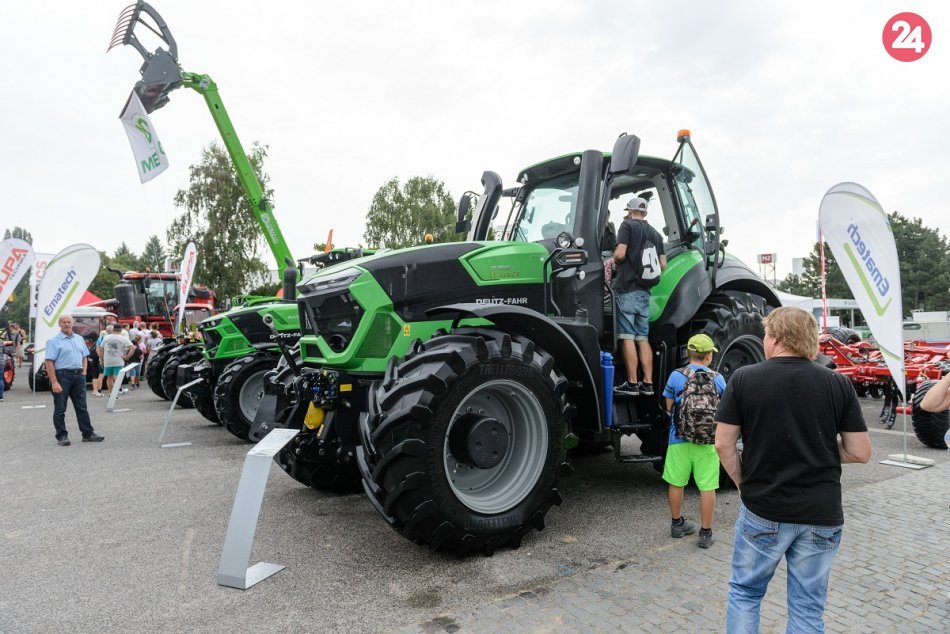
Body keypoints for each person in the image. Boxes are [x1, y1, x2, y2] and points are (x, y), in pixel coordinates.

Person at [715, 307, 871, 633]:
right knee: (807, 609)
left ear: (774, 338)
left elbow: (723, 444)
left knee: (745, 593)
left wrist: (743, 483)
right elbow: (860, 452)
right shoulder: (838, 384)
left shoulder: (744, 379)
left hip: (764, 508)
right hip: (821, 514)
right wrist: (820, 451)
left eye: (765, 334)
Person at [662, 333, 726, 548]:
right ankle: (706, 534)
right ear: (708, 356)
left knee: (676, 482)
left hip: (678, 438)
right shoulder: (717, 378)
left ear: (689, 354)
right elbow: (725, 408)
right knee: (707, 486)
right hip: (707, 441)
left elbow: (668, 406)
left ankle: (677, 525)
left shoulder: (676, 376)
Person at [612, 197, 666, 396]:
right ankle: (648, 383)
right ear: (645, 212)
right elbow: (662, 265)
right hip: (645, 292)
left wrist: (613, 259)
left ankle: (632, 383)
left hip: (627, 288)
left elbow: (620, 254)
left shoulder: (627, 226)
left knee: (627, 337)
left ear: (630, 210)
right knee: (642, 337)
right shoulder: (656, 234)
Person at [44, 315, 104, 446]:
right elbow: (49, 362)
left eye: (69, 322)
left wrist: (83, 372)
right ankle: (62, 436)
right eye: (64, 322)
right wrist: (54, 382)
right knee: (60, 408)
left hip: (78, 376)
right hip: (62, 376)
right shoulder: (53, 341)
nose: (67, 324)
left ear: (72, 324)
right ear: (59, 324)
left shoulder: (79, 338)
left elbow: (84, 356)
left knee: (82, 407)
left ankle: (88, 434)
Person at [101, 326, 133, 394]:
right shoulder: (123, 338)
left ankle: (110, 393)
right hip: (118, 360)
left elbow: (101, 349)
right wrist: (127, 357)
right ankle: (116, 392)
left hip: (107, 360)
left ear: (113, 330)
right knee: (117, 377)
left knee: (109, 377)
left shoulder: (106, 337)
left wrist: (102, 360)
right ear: (121, 330)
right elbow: (133, 348)